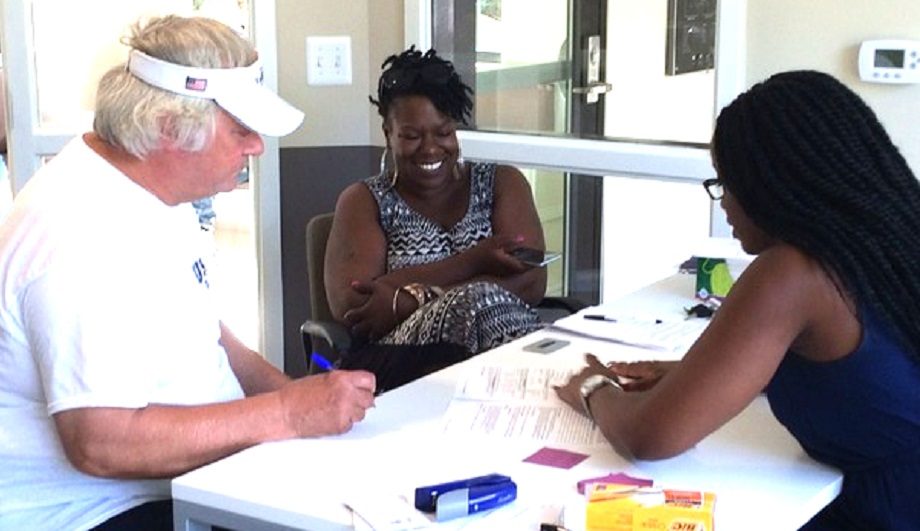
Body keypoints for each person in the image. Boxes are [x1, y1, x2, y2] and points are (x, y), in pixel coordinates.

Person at [0, 16, 376, 530]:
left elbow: (209, 335)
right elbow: (100, 444)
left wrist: (295, 400)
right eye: (240, 129)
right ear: (168, 129)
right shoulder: (79, 231)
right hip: (96, 511)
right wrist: (287, 415)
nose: (256, 147)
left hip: (179, 482)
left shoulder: (152, 192)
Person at [554, 70, 920, 530]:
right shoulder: (890, 239)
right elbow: (869, 382)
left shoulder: (792, 273)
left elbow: (651, 437)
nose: (723, 204)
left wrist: (592, 389)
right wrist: (699, 377)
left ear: (774, 187)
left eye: (726, 183)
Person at [324, 47, 546, 382]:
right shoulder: (364, 200)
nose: (430, 148)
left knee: (480, 304)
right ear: (388, 133)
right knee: (482, 300)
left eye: (443, 133)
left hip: (492, 351)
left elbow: (530, 282)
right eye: (412, 136)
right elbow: (355, 308)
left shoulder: (502, 183)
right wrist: (476, 261)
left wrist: (411, 297)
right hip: (395, 361)